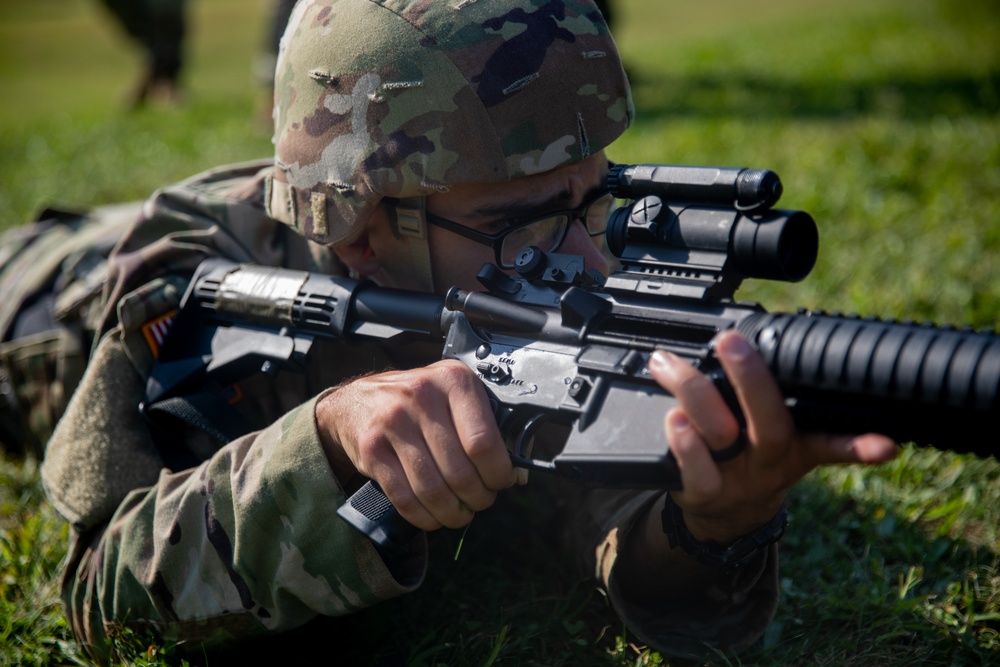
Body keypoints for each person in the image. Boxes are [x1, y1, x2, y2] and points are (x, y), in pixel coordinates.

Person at [38, 0, 897, 662]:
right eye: (522, 223)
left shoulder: (546, 270)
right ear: (363, 234)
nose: (590, 265)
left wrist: (718, 525)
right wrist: (329, 441)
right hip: (46, 292)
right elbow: (98, 590)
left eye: (593, 200)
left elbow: (607, 520)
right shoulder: (195, 270)